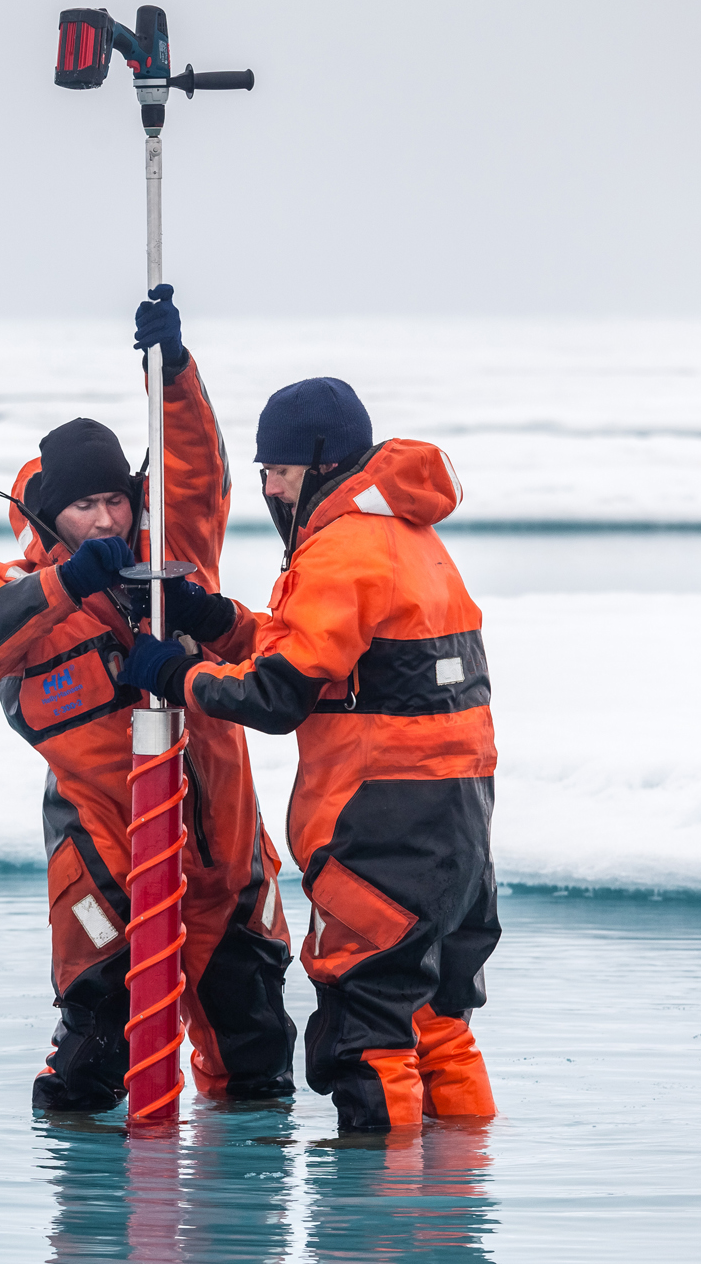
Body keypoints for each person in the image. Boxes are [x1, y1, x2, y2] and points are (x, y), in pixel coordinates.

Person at [0, 287, 296, 1112]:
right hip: (104, 865)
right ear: (50, 515)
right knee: (86, 1075)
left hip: (223, 860)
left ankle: (237, 1230)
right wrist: (72, 582)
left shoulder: (179, 558)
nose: (105, 517)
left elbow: (196, 464)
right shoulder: (19, 590)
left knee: (259, 1073)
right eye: (83, 504)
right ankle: (100, 1227)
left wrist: (170, 371)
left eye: (115, 499)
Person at [117, 376, 501, 1133]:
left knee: (369, 1034)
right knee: (437, 1023)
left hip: (380, 824)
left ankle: (377, 1234)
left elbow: (279, 694)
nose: (266, 485)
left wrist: (177, 673)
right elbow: (333, 660)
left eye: (278, 469)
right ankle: (458, 1207)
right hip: (457, 821)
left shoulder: (339, 548)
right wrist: (219, 620)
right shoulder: (410, 538)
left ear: (318, 463)